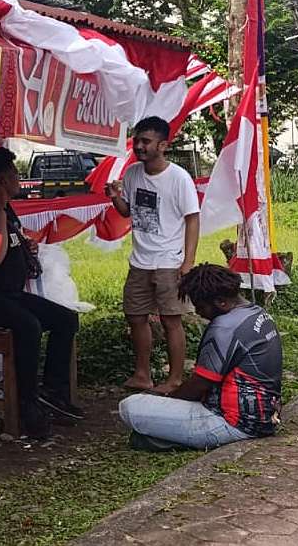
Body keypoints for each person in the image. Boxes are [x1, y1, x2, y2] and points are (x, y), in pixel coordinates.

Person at [0, 147, 82, 439]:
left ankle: (53, 390)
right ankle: (27, 405)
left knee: (66, 319)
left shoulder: (7, 211)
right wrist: (2, 219)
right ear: (3, 180)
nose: (19, 179)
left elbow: (13, 243)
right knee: (30, 327)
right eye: (14, 174)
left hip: (11, 295)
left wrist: (26, 244)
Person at [118, 263, 282, 450]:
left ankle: (177, 438)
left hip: (232, 422)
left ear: (220, 302)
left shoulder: (224, 327)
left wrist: (169, 400)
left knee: (130, 407)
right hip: (265, 418)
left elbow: (200, 384)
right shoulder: (257, 313)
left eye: (200, 306)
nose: (198, 312)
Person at [104, 116, 199, 393]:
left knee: (172, 320)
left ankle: (175, 378)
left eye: (146, 141)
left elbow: (192, 219)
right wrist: (115, 197)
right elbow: (128, 213)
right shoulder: (132, 174)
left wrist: (188, 263)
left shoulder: (179, 178)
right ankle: (142, 374)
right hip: (139, 261)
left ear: (163, 145)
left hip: (169, 261)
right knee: (135, 316)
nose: (140, 146)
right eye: (137, 141)